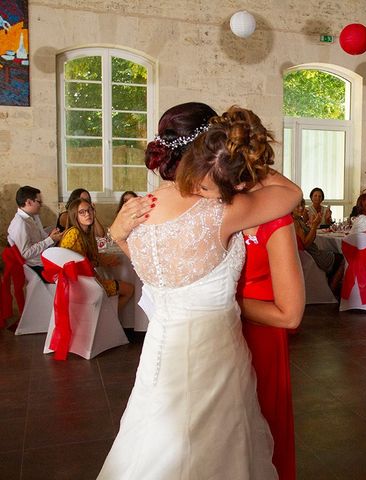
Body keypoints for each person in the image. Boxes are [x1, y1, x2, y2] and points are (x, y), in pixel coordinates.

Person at [98, 103, 302, 479]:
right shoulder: (220, 210)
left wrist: (116, 234)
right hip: (214, 351)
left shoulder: (137, 210)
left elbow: (155, 276)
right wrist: (245, 157)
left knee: (152, 440)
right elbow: (290, 193)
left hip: (161, 350)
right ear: (209, 147)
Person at [237, 195, 305, 480]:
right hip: (217, 332)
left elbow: (290, 315)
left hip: (261, 330)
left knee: (264, 414)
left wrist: (221, 300)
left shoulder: (274, 217)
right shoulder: (209, 211)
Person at [59, 198, 134, 311]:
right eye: (82, 212)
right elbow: (74, 265)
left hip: (88, 282)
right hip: (83, 286)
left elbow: (92, 257)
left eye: (90, 210)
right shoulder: (73, 234)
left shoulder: (87, 233)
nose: (87, 214)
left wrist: (105, 261)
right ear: (75, 215)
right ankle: (110, 318)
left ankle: (106, 317)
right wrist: (102, 261)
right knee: (129, 289)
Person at [7, 185, 62, 280]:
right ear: (28, 202)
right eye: (39, 202)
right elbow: (26, 253)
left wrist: (52, 234)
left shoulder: (33, 216)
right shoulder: (20, 223)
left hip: (44, 255)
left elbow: (40, 236)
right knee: (69, 270)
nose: (41, 205)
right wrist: (50, 239)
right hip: (37, 265)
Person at [293, 199, 344, 292]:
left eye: (302, 205)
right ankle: (331, 289)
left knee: (332, 252)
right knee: (343, 259)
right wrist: (314, 226)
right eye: (297, 206)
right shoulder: (295, 222)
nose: (301, 208)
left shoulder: (297, 219)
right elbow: (306, 243)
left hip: (308, 252)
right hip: (311, 255)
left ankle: (329, 284)